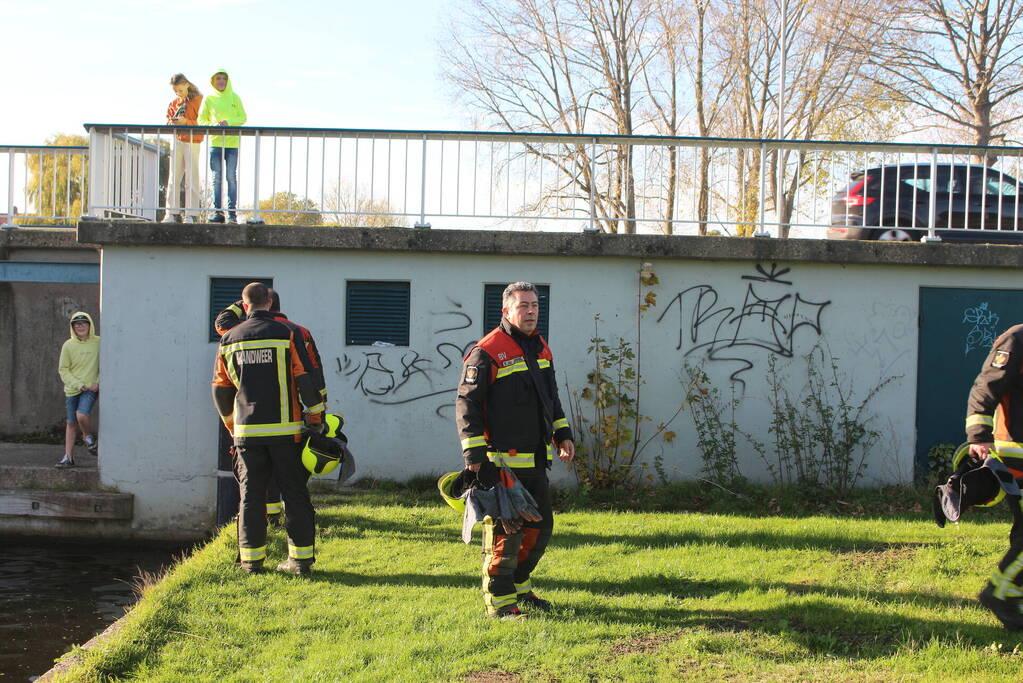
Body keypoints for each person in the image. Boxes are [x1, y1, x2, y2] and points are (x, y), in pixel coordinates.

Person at [455, 281, 575, 618]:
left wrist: (562, 432)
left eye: (535, 305)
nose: (531, 311)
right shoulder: (486, 351)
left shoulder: (540, 347)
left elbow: (551, 397)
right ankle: (500, 602)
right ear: (506, 310)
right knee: (506, 536)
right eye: (523, 305)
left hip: (535, 459)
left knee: (539, 530)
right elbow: (466, 404)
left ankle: (521, 588)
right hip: (500, 463)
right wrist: (475, 456)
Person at [211, 282, 322, 574]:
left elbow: (221, 389)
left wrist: (232, 425)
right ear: (270, 303)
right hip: (286, 431)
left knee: (250, 497)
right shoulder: (287, 333)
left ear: (245, 305)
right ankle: (300, 561)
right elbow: (304, 378)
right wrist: (316, 418)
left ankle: (251, 562)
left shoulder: (229, 339)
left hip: (247, 433)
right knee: (294, 494)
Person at [966, 323, 1023, 629]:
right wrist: (978, 435)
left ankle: (1012, 594)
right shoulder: (1017, 339)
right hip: (1018, 453)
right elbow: (985, 387)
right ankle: (1001, 594)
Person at [197, 69, 246, 224]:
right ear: (213, 81)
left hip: (232, 143)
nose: (221, 81)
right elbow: (201, 120)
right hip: (216, 143)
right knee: (216, 178)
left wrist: (228, 122)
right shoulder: (209, 99)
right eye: (218, 78)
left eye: (224, 78)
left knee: (231, 177)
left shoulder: (235, 97)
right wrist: (214, 125)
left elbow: (243, 117)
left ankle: (232, 214)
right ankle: (218, 212)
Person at [56, 312, 100, 468]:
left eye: (83, 323)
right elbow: (63, 369)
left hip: (90, 389)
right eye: (76, 324)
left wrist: (98, 382)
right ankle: (68, 457)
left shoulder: (99, 342)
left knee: (81, 415)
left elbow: (107, 364)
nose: (80, 326)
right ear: (73, 328)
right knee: (71, 423)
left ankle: (87, 436)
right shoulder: (68, 345)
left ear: (90, 325)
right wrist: (77, 384)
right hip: (72, 389)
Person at [162, 74, 204, 223]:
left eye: (180, 90)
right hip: (177, 140)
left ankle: (191, 214)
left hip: (193, 141)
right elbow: (167, 120)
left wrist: (186, 122)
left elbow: (203, 122)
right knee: (173, 177)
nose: (178, 94)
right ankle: (171, 213)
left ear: (187, 84)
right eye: (175, 91)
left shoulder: (199, 101)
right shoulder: (174, 103)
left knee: (192, 178)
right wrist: (171, 122)